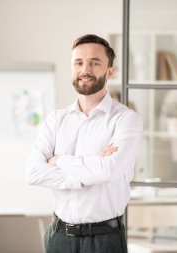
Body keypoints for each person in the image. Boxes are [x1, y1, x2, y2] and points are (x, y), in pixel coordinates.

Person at [26, 34, 143, 253]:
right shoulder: (55, 120)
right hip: (59, 236)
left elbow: (108, 170)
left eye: (94, 63)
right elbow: (33, 173)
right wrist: (88, 171)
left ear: (110, 71)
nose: (85, 70)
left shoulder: (126, 120)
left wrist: (58, 160)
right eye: (78, 62)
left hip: (105, 239)